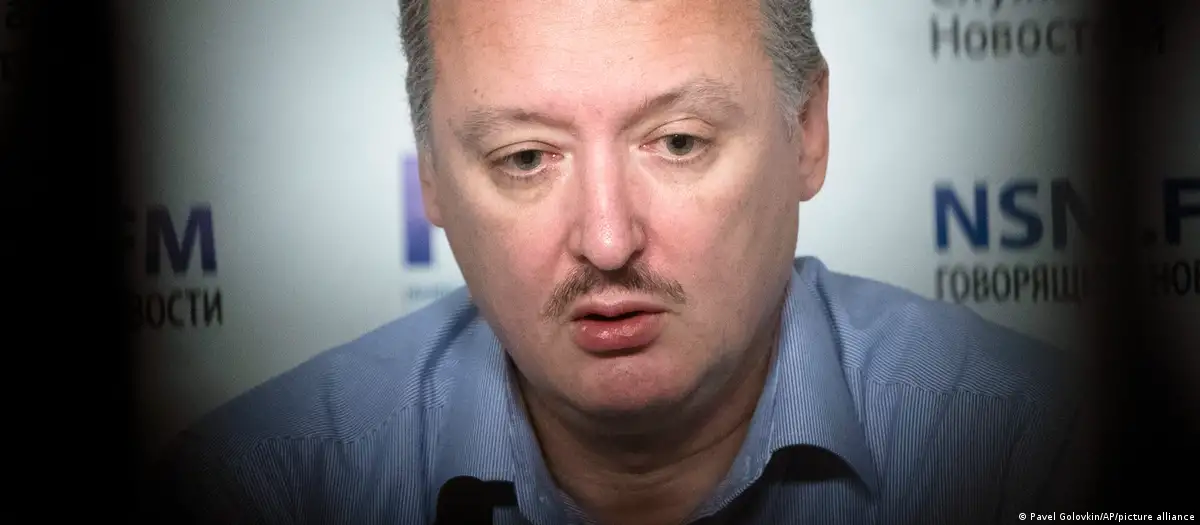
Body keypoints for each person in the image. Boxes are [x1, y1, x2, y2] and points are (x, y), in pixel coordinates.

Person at [146, 0, 1090, 523]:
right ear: (430, 175)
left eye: (677, 142)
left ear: (807, 131)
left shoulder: (1044, 455)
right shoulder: (256, 491)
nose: (606, 241)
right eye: (525, 158)